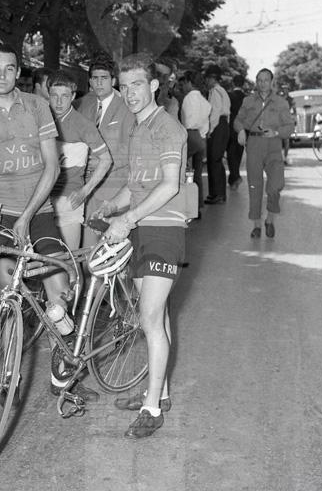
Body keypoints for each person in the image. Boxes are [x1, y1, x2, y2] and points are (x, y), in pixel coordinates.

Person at [0, 44, 96, 400]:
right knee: (6, 292)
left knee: (58, 290)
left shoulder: (37, 106)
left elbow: (53, 167)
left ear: (18, 72)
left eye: (9, 68)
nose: (2, 75)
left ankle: (62, 365)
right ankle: (7, 372)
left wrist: (28, 215)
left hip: (39, 211)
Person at [93, 53, 188, 439]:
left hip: (164, 229)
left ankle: (152, 409)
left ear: (153, 86)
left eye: (137, 84)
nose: (130, 92)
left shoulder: (168, 127)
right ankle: (158, 391)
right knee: (157, 317)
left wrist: (128, 218)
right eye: (124, 86)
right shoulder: (136, 128)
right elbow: (136, 185)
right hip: (139, 228)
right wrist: (111, 205)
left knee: (149, 317)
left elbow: (170, 185)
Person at [47, 71, 111, 250]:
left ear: (73, 96)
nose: (59, 102)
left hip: (68, 199)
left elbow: (106, 160)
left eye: (65, 96)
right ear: (48, 95)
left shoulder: (83, 124)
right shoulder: (42, 120)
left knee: (68, 259)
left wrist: (85, 191)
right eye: (54, 95)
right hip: (42, 198)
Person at [76, 60, 135, 249]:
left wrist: (101, 161)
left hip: (114, 187)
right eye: (95, 78)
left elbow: (130, 149)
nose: (99, 83)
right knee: (87, 249)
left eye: (104, 78)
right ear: (90, 82)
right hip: (86, 187)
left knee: (111, 249)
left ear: (113, 80)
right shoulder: (83, 105)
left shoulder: (127, 107)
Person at [234, 68, 295, 238]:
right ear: (256, 81)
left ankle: (270, 219)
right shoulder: (248, 101)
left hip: (273, 145)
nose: (262, 83)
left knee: (276, 185)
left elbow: (289, 127)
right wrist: (240, 130)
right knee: (254, 185)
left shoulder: (281, 103)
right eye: (259, 80)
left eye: (266, 80)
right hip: (254, 145)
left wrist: (276, 132)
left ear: (272, 82)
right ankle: (256, 225)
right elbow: (238, 120)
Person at [179, 71, 210, 217]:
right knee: (196, 174)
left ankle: (185, 206)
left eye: (184, 83)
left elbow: (186, 121)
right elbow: (205, 124)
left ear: (189, 82)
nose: (183, 87)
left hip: (189, 135)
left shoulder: (188, 98)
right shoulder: (204, 101)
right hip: (200, 137)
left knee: (182, 170)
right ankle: (196, 207)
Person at [203, 64, 230, 204]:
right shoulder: (222, 91)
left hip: (217, 125)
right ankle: (218, 193)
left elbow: (215, 112)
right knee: (216, 160)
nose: (206, 81)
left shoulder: (215, 91)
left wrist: (210, 130)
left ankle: (217, 194)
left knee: (214, 159)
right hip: (223, 125)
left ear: (213, 78)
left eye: (207, 78)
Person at [227, 74, 246, 189]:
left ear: (233, 83)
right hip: (243, 129)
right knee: (238, 154)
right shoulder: (246, 98)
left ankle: (235, 177)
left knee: (231, 155)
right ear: (243, 84)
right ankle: (234, 178)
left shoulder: (229, 96)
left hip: (231, 128)